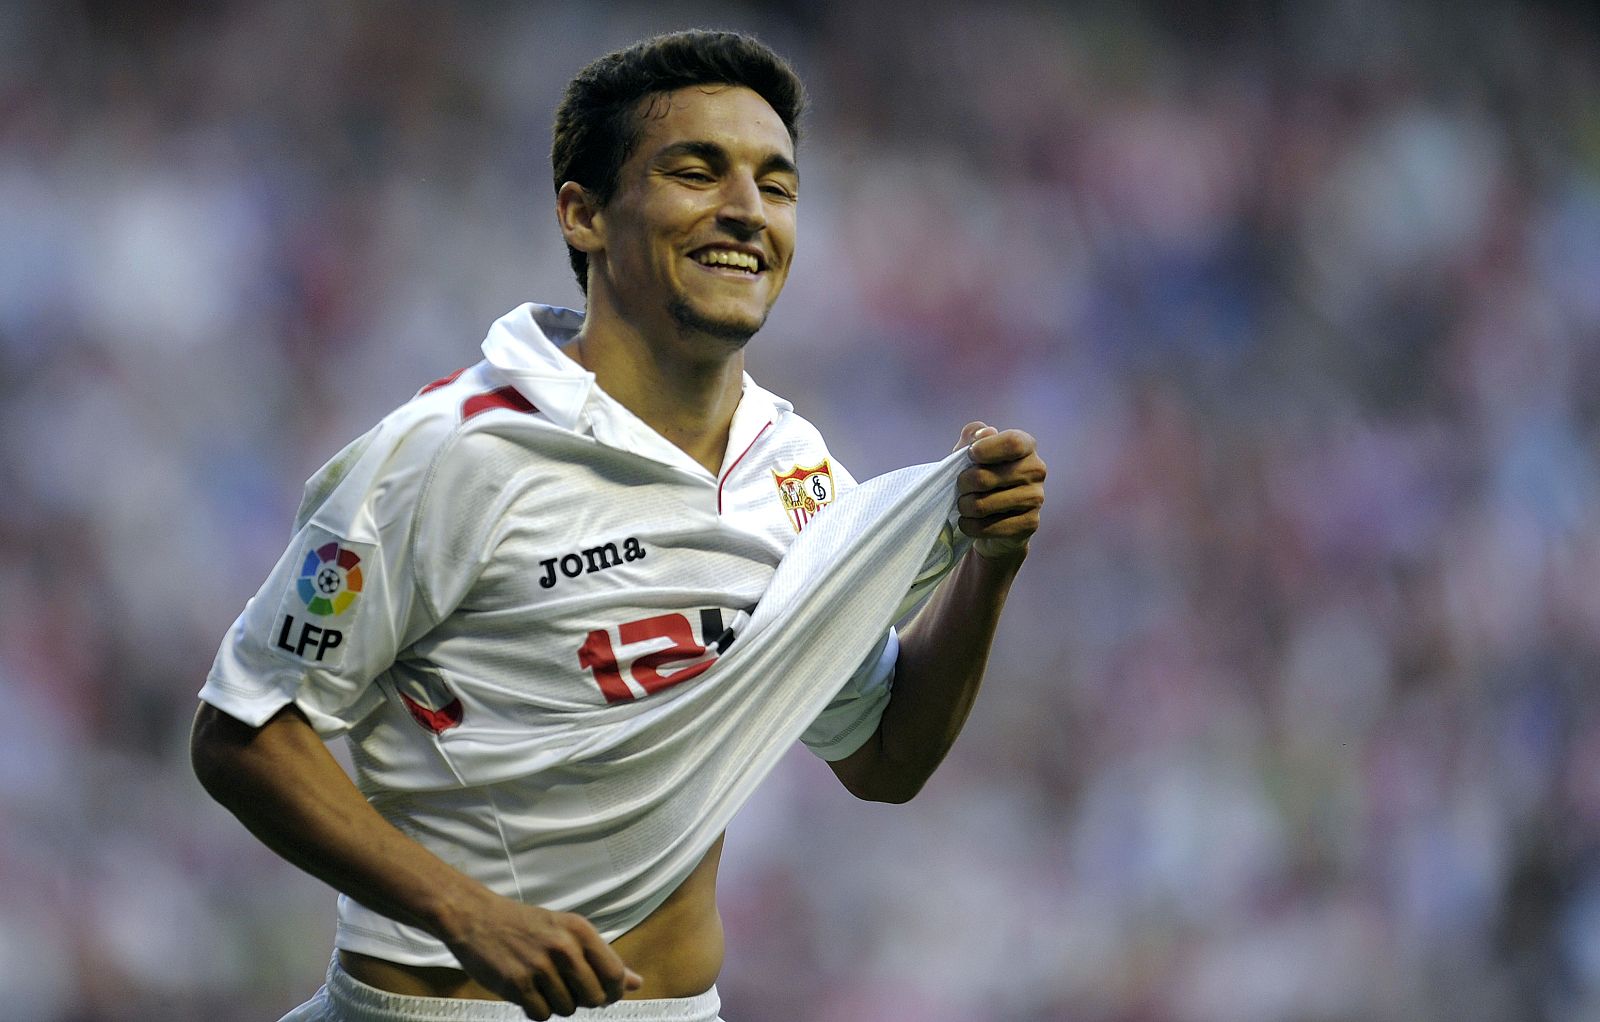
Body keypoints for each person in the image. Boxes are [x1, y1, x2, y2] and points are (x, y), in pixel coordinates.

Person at [190, 28, 1046, 1022]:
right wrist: (469, 913)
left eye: (776, 185)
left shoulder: (796, 468)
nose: (744, 210)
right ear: (584, 212)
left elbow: (882, 758)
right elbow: (241, 730)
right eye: (696, 170)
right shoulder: (449, 453)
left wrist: (989, 566)